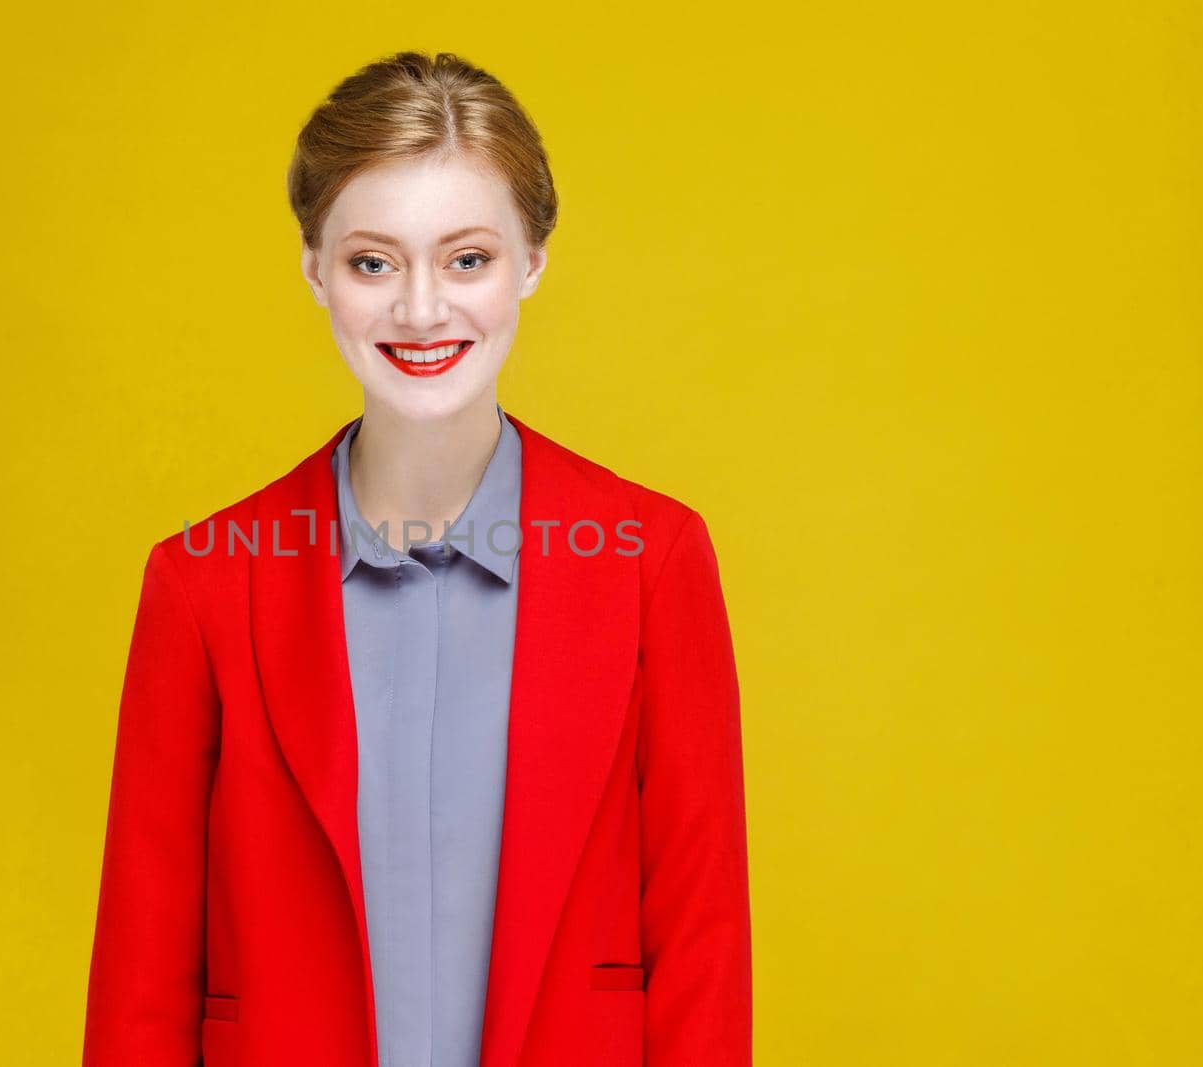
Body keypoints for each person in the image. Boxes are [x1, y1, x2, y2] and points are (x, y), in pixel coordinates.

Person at [83, 50, 751, 1067]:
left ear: (532, 260)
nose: (422, 309)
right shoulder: (202, 581)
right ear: (314, 269)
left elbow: (702, 934)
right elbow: (141, 971)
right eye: (372, 261)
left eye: (467, 257)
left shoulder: (653, 559)